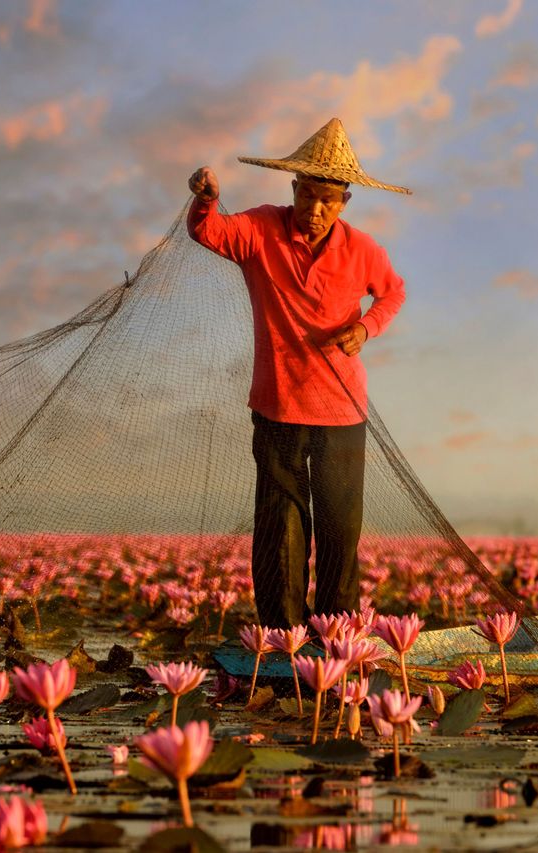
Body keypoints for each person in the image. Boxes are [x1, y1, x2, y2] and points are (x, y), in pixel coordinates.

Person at [185, 117, 411, 629]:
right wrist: (206, 198)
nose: (315, 209)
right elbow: (208, 231)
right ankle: (281, 631)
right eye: (307, 195)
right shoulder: (261, 229)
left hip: (342, 408)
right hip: (278, 405)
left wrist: (367, 328)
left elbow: (393, 292)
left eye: (328, 200)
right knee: (281, 523)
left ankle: (335, 633)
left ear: (345, 201)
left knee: (338, 525)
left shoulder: (363, 249)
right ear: (293, 189)